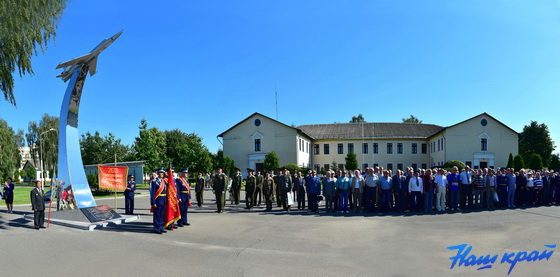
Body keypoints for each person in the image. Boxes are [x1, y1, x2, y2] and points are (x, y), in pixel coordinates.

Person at [150, 168, 167, 234]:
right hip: (157, 201)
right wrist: (153, 202)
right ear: (157, 173)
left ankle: (161, 227)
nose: (162, 174)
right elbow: (152, 193)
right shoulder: (154, 181)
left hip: (163, 200)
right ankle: (156, 228)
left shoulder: (164, 181)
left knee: (162, 215)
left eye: (163, 173)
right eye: (160, 172)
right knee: (157, 215)